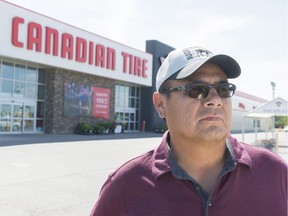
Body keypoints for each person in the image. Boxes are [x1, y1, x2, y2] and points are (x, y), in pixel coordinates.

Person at [90, 46, 287, 216]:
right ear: (160, 104)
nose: (215, 99)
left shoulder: (274, 172)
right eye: (197, 89)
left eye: (223, 89)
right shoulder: (125, 185)